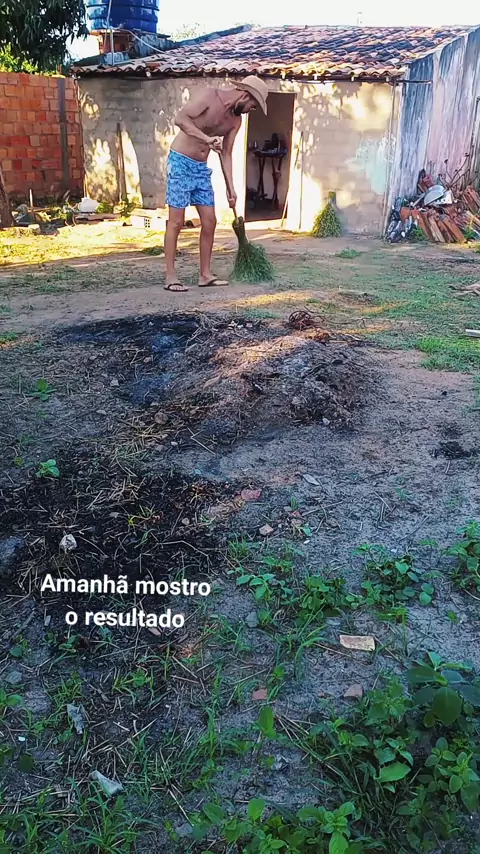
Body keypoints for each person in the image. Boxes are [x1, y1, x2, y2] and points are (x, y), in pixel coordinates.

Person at [163, 76, 269, 292]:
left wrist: (231, 188)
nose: (251, 110)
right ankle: (171, 276)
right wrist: (206, 139)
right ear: (245, 95)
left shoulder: (235, 121)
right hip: (180, 162)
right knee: (176, 222)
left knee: (210, 221)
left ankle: (205, 275)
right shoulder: (209, 96)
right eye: (253, 105)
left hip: (201, 169)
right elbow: (181, 119)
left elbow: (226, 154)